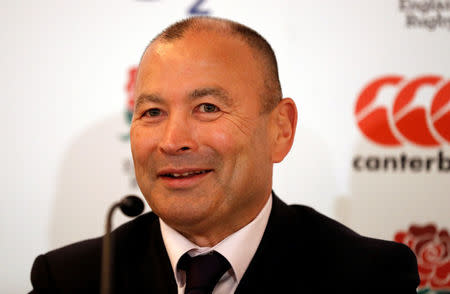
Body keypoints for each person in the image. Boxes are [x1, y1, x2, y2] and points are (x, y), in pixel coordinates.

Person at [30, 16, 419, 293]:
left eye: (208, 108)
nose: (172, 141)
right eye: (152, 112)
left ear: (280, 129)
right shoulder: (71, 278)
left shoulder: (367, 276)